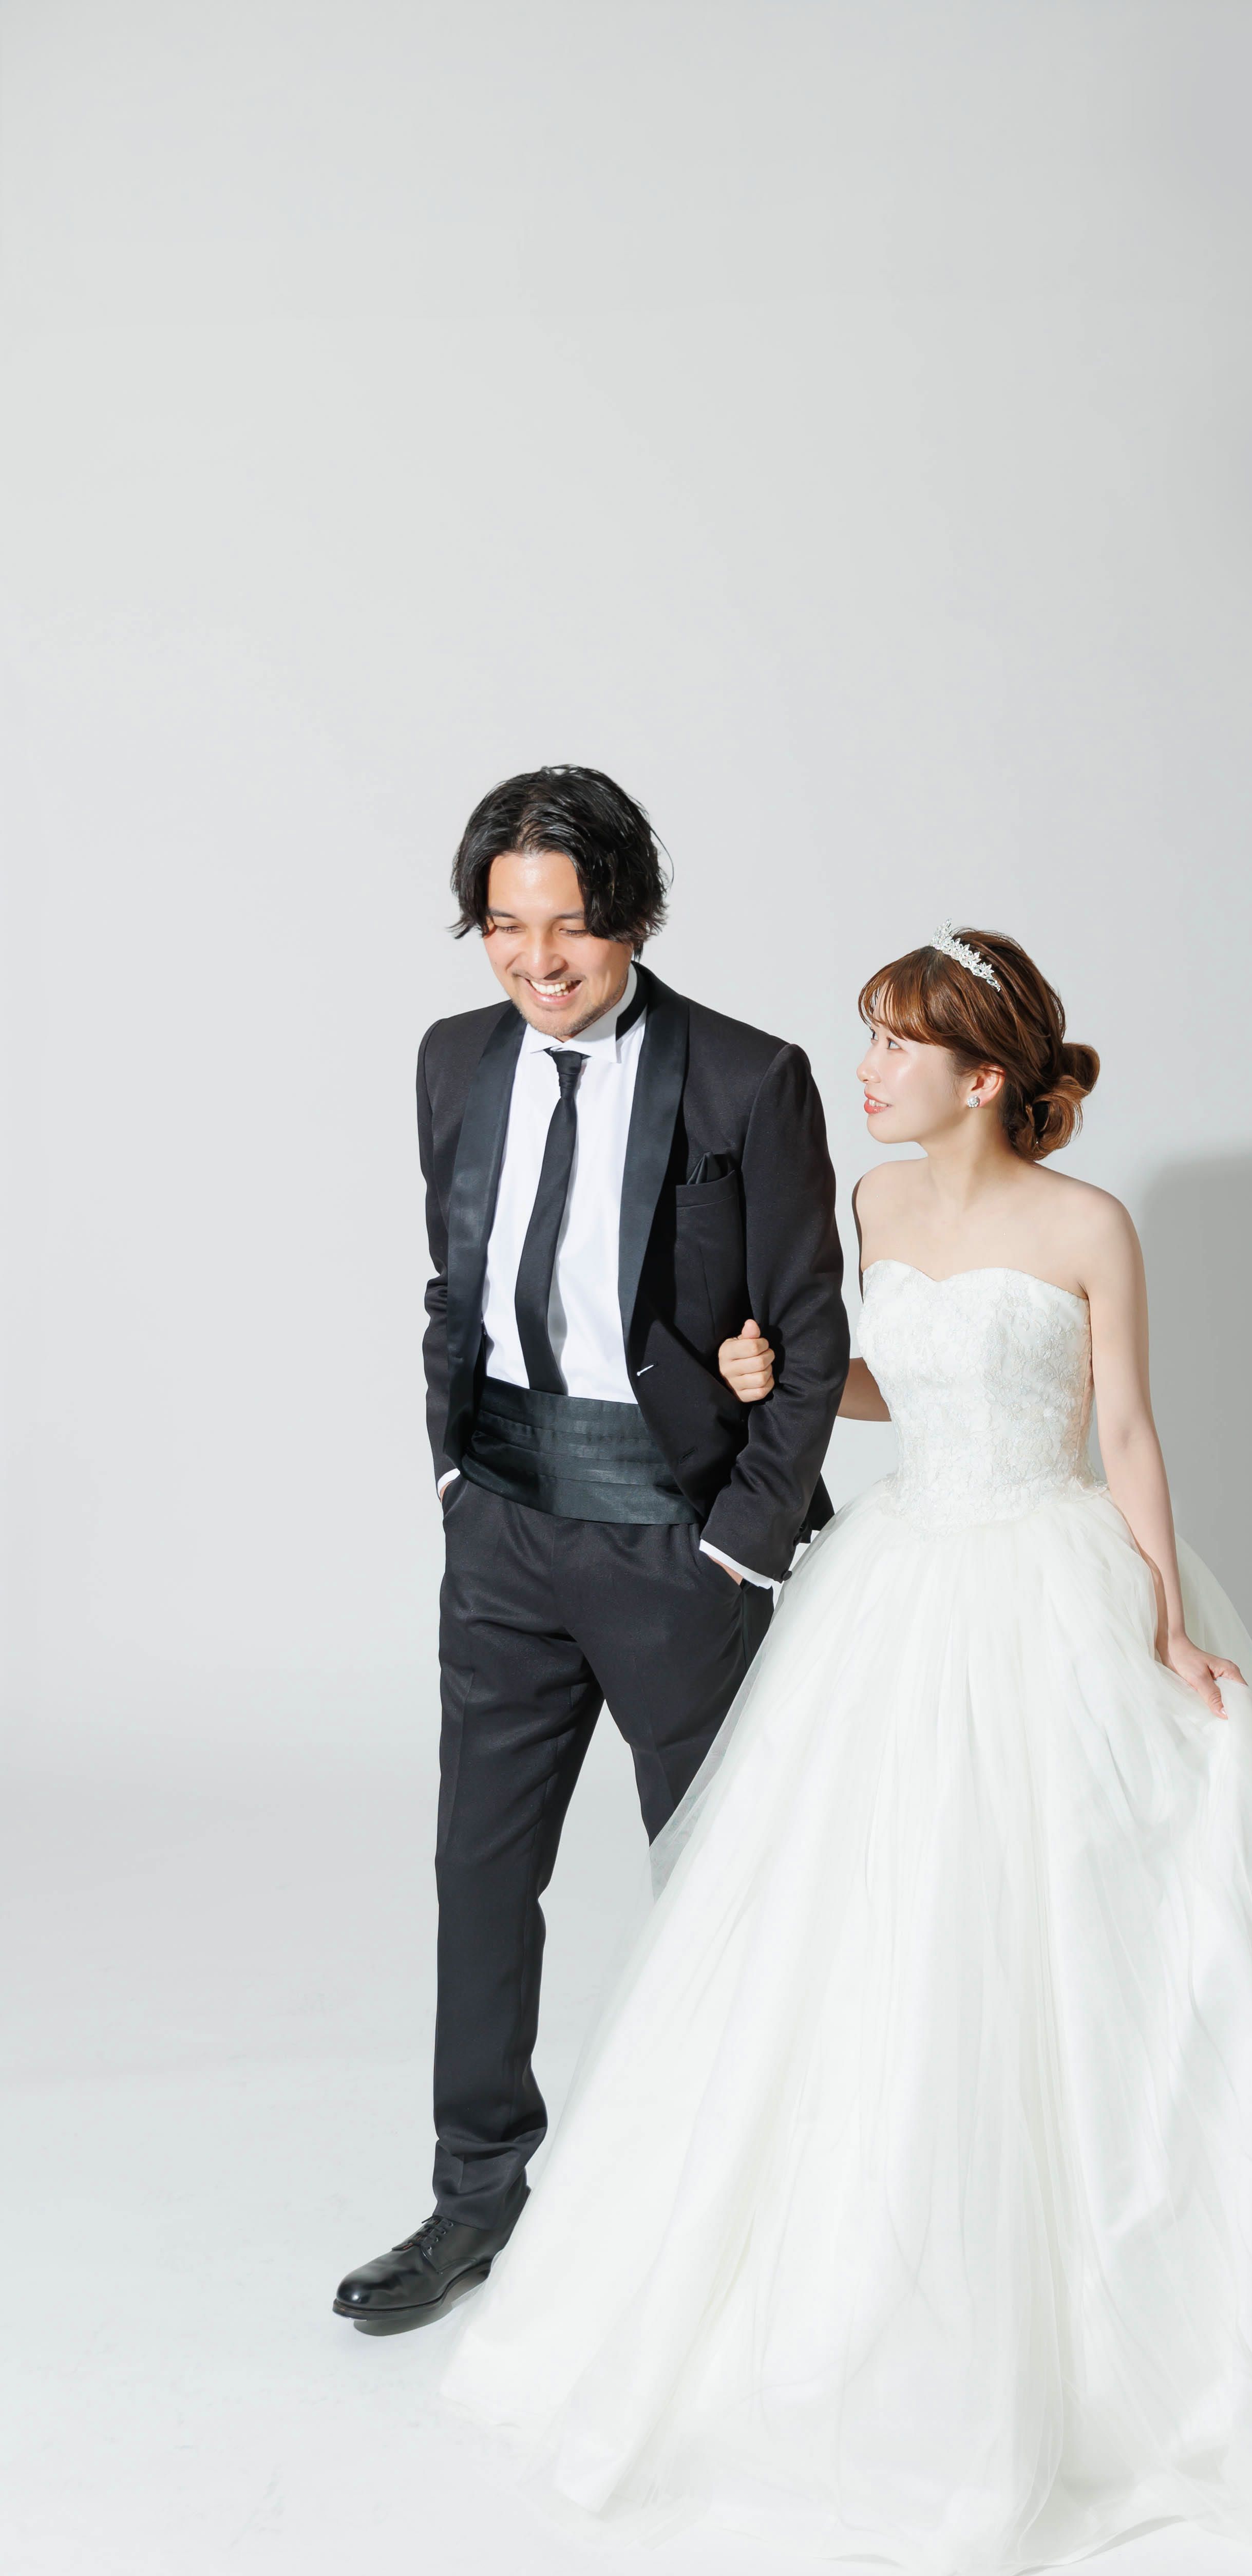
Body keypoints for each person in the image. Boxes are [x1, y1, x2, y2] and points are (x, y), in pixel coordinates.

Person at [441, 928, 1252, 2576]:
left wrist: (1165, 1616)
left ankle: (1140, 2304)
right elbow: (885, 1387)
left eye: (897, 1046)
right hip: (903, 1577)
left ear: (983, 1075)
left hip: (1048, 1566)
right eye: (869, 1040)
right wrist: (777, 1378)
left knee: (1091, 1920)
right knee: (883, 1922)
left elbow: (1123, 1429)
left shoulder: (1090, 1225)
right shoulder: (876, 1205)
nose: (867, 1070)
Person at [333, 769, 848, 2336]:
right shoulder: (453, 1059)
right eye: (504, 925)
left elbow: (811, 1337)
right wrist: (451, 1472)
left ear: (632, 915)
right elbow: (457, 1281)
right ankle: (475, 2194)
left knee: (715, 1884)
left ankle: (733, 2211)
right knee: (480, 1870)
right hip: (500, 1521)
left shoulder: (748, 1079)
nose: (535, 960)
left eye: (567, 925)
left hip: (674, 1541)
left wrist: (741, 1552)